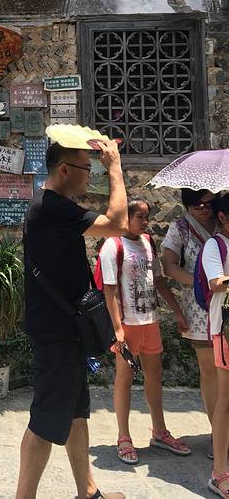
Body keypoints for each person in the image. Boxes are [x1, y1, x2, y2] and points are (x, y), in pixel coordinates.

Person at [15, 139, 128, 499]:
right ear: (65, 170)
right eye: (86, 169)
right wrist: (114, 167)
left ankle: (87, 491)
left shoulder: (51, 205)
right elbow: (118, 223)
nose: (90, 176)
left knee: (77, 413)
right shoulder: (51, 208)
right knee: (46, 421)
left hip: (66, 329)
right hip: (57, 333)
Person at [100, 199, 191, 465]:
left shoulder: (148, 242)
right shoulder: (113, 245)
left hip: (150, 320)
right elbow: (110, 290)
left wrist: (176, 311)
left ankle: (159, 431)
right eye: (140, 216)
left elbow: (159, 281)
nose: (145, 221)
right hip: (127, 323)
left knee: (155, 374)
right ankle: (123, 436)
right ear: (126, 217)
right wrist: (118, 328)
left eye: (147, 216)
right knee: (124, 378)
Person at [162, 188, 218, 455]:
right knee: (209, 370)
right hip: (199, 307)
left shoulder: (223, 219)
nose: (205, 208)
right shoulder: (181, 228)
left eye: (209, 203)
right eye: (198, 205)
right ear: (188, 205)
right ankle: (218, 432)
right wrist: (200, 283)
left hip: (226, 301)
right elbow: (169, 266)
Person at [202, 194, 229, 498]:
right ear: (222, 217)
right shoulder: (215, 245)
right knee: (226, 400)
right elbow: (216, 283)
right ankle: (219, 472)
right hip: (225, 330)